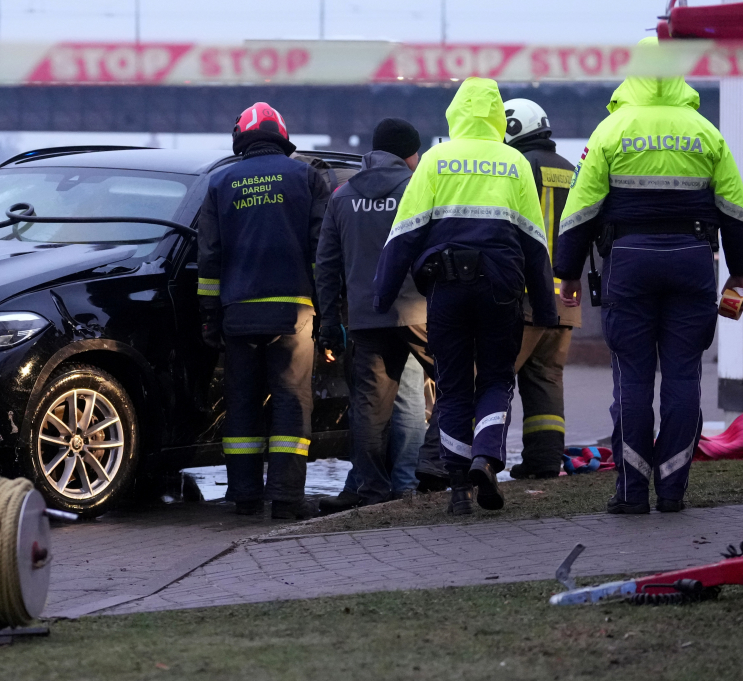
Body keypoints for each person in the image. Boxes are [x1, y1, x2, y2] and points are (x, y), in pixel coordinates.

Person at [553, 39, 743, 514]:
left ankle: (630, 492)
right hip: (694, 262)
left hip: (630, 263)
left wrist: (567, 274)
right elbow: (735, 211)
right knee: (684, 376)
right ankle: (671, 490)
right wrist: (741, 273)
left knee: (632, 377)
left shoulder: (612, 130)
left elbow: (580, 212)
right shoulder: (705, 131)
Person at [373, 77, 557, 516]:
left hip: (448, 291)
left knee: (454, 388)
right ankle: (485, 455)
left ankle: (458, 491)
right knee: (496, 379)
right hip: (501, 289)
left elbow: (404, 234)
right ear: (496, 115)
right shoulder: (513, 162)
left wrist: (381, 295)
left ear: (456, 112)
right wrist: (546, 307)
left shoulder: (435, 160)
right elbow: (534, 241)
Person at [197, 101, 331, 519]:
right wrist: (327, 311)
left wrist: (209, 315)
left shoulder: (220, 183)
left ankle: (244, 496)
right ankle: (287, 500)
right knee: (292, 402)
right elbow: (321, 253)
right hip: (294, 315)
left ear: (242, 138)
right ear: (281, 136)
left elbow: (209, 259)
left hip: (238, 316)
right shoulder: (307, 177)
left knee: (241, 403)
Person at [314, 118, 431, 511]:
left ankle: (373, 491)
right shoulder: (419, 188)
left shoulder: (342, 195)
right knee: (445, 388)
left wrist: (329, 324)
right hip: (417, 313)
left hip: (366, 316)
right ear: (409, 153)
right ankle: (413, 483)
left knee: (369, 409)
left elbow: (326, 266)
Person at [502, 99, 581, 479]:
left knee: (494, 379)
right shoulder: (570, 169)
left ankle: (479, 459)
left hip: (527, 297)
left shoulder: (518, 167)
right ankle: (545, 461)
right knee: (547, 379)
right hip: (566, 298)